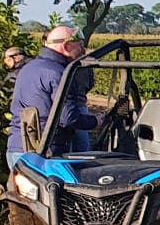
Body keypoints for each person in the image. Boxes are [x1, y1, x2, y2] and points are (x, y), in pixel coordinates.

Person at [7, 25, 97, 158]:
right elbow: (68, 118)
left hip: (16, 148)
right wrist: (96, 121)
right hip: (45, 152)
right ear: (66, 47)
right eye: (79, 46)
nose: (83, 50)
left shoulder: (28, 68)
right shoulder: (60, 74)